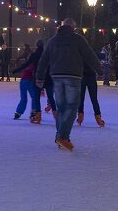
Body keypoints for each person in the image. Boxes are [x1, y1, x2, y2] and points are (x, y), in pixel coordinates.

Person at [36, 18, 102, 151]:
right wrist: (99, 70)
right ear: (74, 28)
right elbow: (90, 55)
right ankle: (63, 136)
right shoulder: (78, 39)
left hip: (57, 76)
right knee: (72, 106)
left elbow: (44, 60)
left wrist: (39, 77)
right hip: (73, 76)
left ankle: (60, 136)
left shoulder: (53, 41)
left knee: (61, 108)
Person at [12, 39, 43, 123]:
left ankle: (19, 112)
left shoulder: (30, 60)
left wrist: (17, 69)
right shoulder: (35, 61)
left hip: (24, 80)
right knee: (33, 97)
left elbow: (25, 65)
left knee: (24, 98)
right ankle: (32, 112)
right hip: (29, 80)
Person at [77, 62, 105, 127]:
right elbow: (95, 61)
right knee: (94, 99)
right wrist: (100, 72)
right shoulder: (91, 52)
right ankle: (98, 118)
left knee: (81, 98)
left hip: (81, 75)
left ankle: (80, 116)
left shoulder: (80, 52)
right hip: (91, 76)